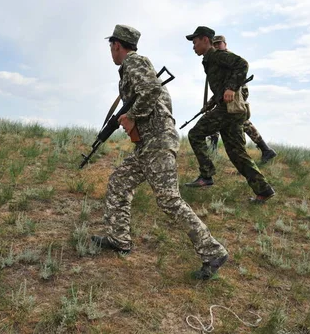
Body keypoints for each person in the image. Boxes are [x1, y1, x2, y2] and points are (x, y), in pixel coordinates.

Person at [90, 24, 229, 279]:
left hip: (158, 142)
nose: (111, 52)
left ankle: (213, 252)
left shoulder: (134, 62)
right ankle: (119, 240)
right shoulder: (132, 68)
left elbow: (152, 90)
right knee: (119, 182)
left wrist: (131, 115)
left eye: (111, 47)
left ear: (117, 45)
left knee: (168, 200)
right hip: (147, 144)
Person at [184, 26, 275, 203]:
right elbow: (221, 86)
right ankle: (263, 190)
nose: (193, 46)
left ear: (205, 40)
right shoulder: (209, 60)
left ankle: (206, 175)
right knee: (237, 154)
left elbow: (243, 64)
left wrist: (231, 88)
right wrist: (212, 102)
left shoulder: (217, 55)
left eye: (195, 42)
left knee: (195, 134)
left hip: (229, 110)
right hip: (229, 110)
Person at [211, 35, 277, 163]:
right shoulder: (218, 59)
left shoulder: (227, 57)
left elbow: (241, 68)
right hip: (228, 91)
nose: (217, 46)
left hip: (236, 91)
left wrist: (231, 89)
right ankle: (265, 149)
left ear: (225, 43)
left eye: (219, 43)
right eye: (215, 44)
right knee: (227, 116)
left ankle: (213, 149)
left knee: (231, 117)